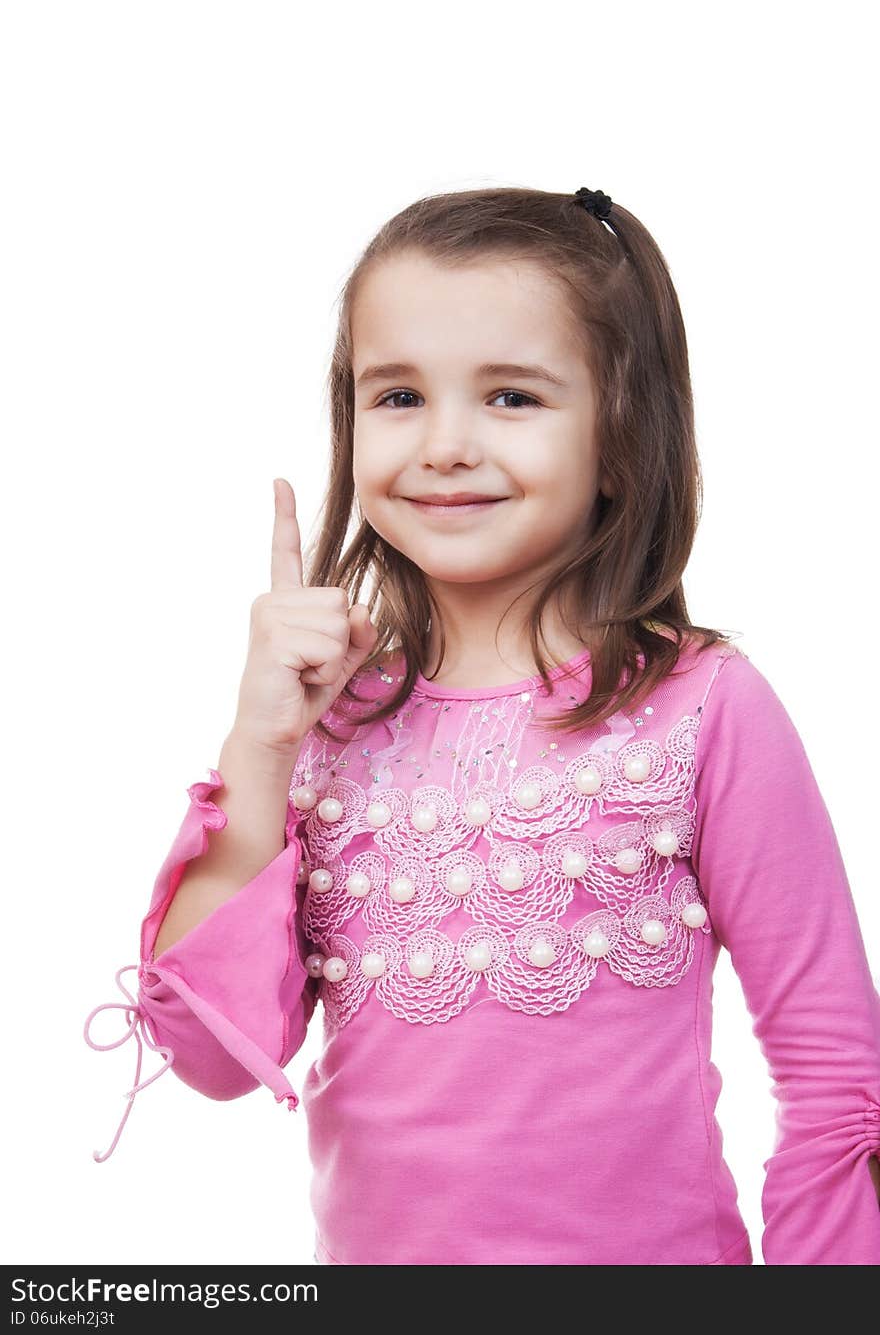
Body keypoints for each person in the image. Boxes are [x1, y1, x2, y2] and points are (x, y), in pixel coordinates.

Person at [83, 185, 880, 1266]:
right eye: (399, 394)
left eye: (511, 397)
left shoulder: (704, 705)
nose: (446, 444)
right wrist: (258, 749)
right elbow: (216, 1063)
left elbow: (836, 1074)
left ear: (619, 436)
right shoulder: (323, 726)